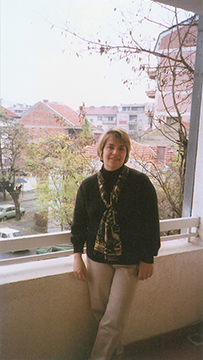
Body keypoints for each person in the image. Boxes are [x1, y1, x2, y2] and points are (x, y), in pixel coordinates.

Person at [71, 128, 160, 360]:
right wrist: (76, 257)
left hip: (129, 261)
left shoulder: (140, 183)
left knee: (113, 318)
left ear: (127, 154)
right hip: (97, 258)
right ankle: (116, 354)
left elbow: (151, 222)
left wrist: (148, 258)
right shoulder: (88, 186)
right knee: (101, 312)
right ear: (101, 151)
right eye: (110, 147)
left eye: (121, 148)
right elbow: (79, 224)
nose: (115, 152)